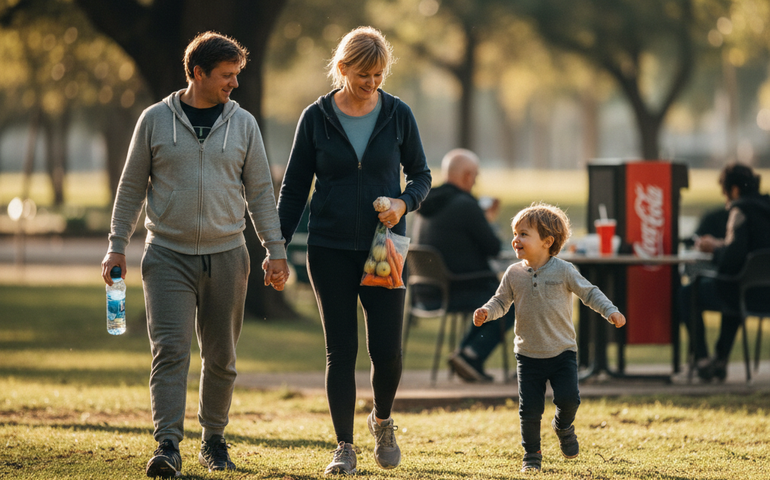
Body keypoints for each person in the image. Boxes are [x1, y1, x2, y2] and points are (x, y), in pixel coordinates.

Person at [100, 32, 289, 478]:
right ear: (197, 73)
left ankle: (214, 440)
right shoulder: (153, 121)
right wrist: (115, 245)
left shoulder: (243, 124)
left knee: (221, 356)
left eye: (237, 75)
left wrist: (275, 250)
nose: (234, 84)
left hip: (228, 255)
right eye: (226, 76)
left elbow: (261, 192)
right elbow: (130, 190)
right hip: (166, 255)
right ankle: (167, 445)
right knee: (170, 351)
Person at [276, 26, 431, 475]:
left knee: (388, 352)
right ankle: (344, 446)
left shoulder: (398, 114)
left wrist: (404, 202)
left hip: (386, 248)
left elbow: (421, 175)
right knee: (340, 351)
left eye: (379, 75)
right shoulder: (316, 117)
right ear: (342, 69)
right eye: (364, 75)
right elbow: (293, 189)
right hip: (329, 248)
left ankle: (382, 421)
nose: (372, 84)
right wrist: (277, 247)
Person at [473, 202, 626, 473]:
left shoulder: (564, 270)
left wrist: (610, 311)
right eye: (515, 233)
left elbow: (589, 293)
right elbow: (501, 301)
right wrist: (487, 311)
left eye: (523, 234)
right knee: (529, 411)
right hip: (528, 354)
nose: (516, 239)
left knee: (569, 400)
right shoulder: (513, 273)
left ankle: (563, 426)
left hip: (562, 351)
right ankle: (532, 456)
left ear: (547, 241)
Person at [412, 148, 514, 382]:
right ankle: (471, 354)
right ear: (467, 176)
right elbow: (493, 247)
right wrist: (487, 220)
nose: (476, 181)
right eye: (475, 176)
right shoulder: (466, 205)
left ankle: (466, 354)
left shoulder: (426, 204)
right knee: (509, 298)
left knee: (494, 295)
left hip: (425, 291)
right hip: (459, 289)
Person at [679, 162, 770, 382]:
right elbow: (749, 249)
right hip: (764, 295)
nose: (726, 200)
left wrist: (714, 248)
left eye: (725, 193)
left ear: (735, 190)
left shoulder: (739, 211)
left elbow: (732, 260)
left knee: (685, 294)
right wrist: (724, 244)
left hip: (744, 295)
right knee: (736, 288)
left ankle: (702, 358)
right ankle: (720, 359)